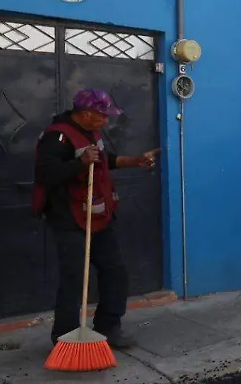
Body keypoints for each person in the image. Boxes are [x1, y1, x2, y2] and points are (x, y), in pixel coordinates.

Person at [33, 89, 159, 349]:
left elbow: (106, 161)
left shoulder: (92, 132)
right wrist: (79, 164)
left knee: (115, 271)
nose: (106, 120)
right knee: (75, 279)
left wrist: (134, 161)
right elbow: (46, 173)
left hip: (100, 216)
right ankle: (66, 339)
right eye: (103, 115)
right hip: (69, 218)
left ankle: (108, 326)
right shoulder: (57, 136)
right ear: (85, 113)